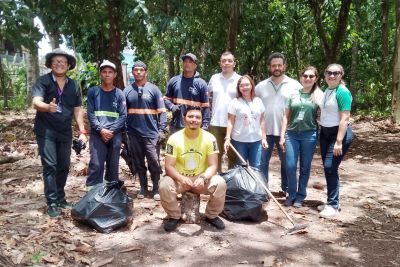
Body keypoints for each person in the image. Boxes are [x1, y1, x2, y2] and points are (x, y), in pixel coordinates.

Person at [32, 48, 87, 217]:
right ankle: (52, 202)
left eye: (63, 61)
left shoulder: (73, 85)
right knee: (50, 165)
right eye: (56, 61)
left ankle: (61, 197)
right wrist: (47, 107)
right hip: (46, 129)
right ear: (50, 64)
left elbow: (77, 110)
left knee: (63, 166)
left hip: (64, 131)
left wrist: (82, 131)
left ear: (69, 65)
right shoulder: (43, 81)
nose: (59, 64)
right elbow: (35, 102)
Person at [159, 106, 227, 232]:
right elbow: (168, 166)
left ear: (202, 120)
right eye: (190, 116)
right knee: (164, 185)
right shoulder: (174, 138)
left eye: (197, 117)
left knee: (220, 183)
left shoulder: (210, 138)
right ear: (184, 118)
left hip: (201, 180)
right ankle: (174, 216)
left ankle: (212, 215)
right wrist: (180, 178)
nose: (194, 120)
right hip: (180, 180)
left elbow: (213, 165)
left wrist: (204, 178)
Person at [255, 52, 302, 193]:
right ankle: (264, 190)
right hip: (264, 132)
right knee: (262, 163)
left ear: (284, 66)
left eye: (279, 65)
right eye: (274, 65)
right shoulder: (260, 86)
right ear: (269, 67)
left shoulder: (295, 85)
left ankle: (286, 189)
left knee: (287, 162)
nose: (277, 68)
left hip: (286, 132)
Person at [279, 66, 323, 208]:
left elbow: (326, 114)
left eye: (311, 76)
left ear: (315, 78)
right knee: (290, 166)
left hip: (309, 134)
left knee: (305, 167)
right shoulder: (293, 94)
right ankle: (291, 194)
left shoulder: (319, 95)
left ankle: (300, 196)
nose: (308, 78)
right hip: (292, 134)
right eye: (305, 76)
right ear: (301, 77)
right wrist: (282, 136)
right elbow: (286, 117)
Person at [125, 61, 167, 201]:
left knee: (154, 161)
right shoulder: (127, 91)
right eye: (135, 70)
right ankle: (143, 187)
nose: (138, 72)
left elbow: (162, 112)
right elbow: (122, 113)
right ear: (132, 72)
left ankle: (156, 187)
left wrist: (162, 130)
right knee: (138, 162)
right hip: (133, 133)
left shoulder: (154, 90)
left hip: (151, 134)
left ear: (145, 72)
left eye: (141, 70)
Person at [318, 64, 353, 218]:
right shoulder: (327, 90)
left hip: (337, 135)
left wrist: (339, 141)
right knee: (328, 168)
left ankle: (333, 205)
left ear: (341, 75)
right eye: (329, 73)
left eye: (335, 73)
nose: (332, 75)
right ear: (325, 75)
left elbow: (345, 118)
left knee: (330, 167)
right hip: (325, 132)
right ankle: (331, 201)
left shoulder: (342, 92)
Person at [86, 60, 127, 191]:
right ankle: (92, 195)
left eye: (110, 72)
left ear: (115, 74)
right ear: (100, 74)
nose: (107, 75)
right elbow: (90, 113)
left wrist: (111, 131)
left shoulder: (120, 93)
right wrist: (100, 130)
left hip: (115, 135)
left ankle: (110, 193)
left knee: (113, 165)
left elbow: (123, 115)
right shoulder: (93, 92)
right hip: (97, 134)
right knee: (96, 164)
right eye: (104, 72)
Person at [224, 75, 268, 169]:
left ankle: (255, 184)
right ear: (239, 88)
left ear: (251, 85)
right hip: (240, 141)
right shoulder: (234, 102)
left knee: (256, 167)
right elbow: (230, 122)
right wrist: (227, 138)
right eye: (241, 85)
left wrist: (264, 138)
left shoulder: (258, 101)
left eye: (247, 85)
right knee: (241, 167)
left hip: (256, 140)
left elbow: (262, 121)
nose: (244, 87)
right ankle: (243, 184)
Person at [208, 51, 241, 172]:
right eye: (223, 61)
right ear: (220, 63)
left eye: (229, 61)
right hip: (215, 123)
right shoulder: (214, 78)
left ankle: (231, 184)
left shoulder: (239, 79)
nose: (226, 63)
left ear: (234, 63)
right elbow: (208, 97)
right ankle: (217, 182)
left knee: (233, 155)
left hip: (235, 124)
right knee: (215, 154)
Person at [164, 53, 210, 133]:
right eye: (185, 61)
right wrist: (171, 106)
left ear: (195, 65)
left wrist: (205, 126)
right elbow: (165, 100)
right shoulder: (174, 81)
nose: (187, 63)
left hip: (195, 126)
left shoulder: (201, 83)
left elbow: (205, 107)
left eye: (190, 62)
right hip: (177, 125)